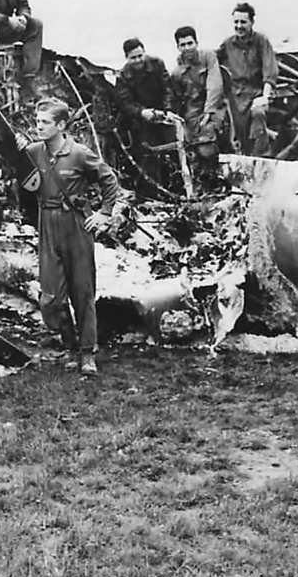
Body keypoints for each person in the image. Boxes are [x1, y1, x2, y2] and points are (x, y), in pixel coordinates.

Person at [24, 98, 121, 375]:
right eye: (37, 121)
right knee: (50, 297)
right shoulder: (33, 152)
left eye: (44, 122)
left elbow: (109, 179)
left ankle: (87, 352)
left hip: (75, 225)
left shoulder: (79, 153)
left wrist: (104, 213)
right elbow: (16, 165)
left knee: (82, 291)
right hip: (47, 225)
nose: (38, 126)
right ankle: (69, 344)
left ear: (61, 125)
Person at [216, 2, 277, 157]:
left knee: (258, 116)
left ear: (252, 22)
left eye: (243, 22)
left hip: (256, 93)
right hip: (235, 96)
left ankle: (261, 158)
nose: (239, 26)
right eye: (236, 22)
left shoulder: (261, 41)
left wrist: (265, 96)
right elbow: (213, 62)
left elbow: (270, 70)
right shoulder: (228, 44)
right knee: (235, 132)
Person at [168, 25, 228, 185]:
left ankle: (221, 179)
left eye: (190, 43)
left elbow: (215, 84)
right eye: (183, 45)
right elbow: (175, 98)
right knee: (191, 152)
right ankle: (202, 185)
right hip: (192, 115)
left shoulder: (208, 57)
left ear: (196, 42)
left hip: (215, 108)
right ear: (178, 47)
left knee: (208, 144)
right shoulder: (177, 72)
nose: (187, 48)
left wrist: (208, 112)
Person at [114, 37, 173, 186]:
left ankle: (176, 185)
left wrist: (166, 110)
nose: (138, 60)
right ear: (126, 58)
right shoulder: (123, 76)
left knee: (174, 150)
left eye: (140, 55)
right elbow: (125, 103)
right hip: (140, 121)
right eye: (133, 58)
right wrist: (142, 113)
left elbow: (167, 89)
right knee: (147, 156)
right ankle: (154, 192)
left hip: (163, 115)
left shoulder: (157, 64)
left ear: (144, 52)